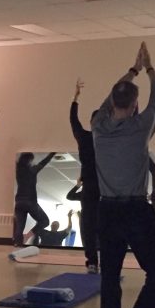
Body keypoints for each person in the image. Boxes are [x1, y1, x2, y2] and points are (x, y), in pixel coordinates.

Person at [92, 42, 155, 308]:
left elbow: (111, 98)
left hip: (107, 211)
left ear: (112, 101)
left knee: (110, 276)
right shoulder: (141, 126)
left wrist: (132, 71)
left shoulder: (98, 125)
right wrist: (149, 69)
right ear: (136, 104)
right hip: (135, 211)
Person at [70, 80, 100, 271]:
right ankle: (92, 261)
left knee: (105, 225)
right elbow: (73, 120)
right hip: (90, 187)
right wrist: (76, 97)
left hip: (106, 188)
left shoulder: (109, 139)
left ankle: (104, 259)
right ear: (92, 123)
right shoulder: (85, 137)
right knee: (88, 225)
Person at [12, 152, 55, 246]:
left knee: (20, 226)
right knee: (45, 221)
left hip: (19, 202)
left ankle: (17, 245)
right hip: (30, 201)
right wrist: (52, 154)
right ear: (29, 161)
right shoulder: (32, 170)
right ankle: (27, 236)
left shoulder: (18, 171)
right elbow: (43, 163)